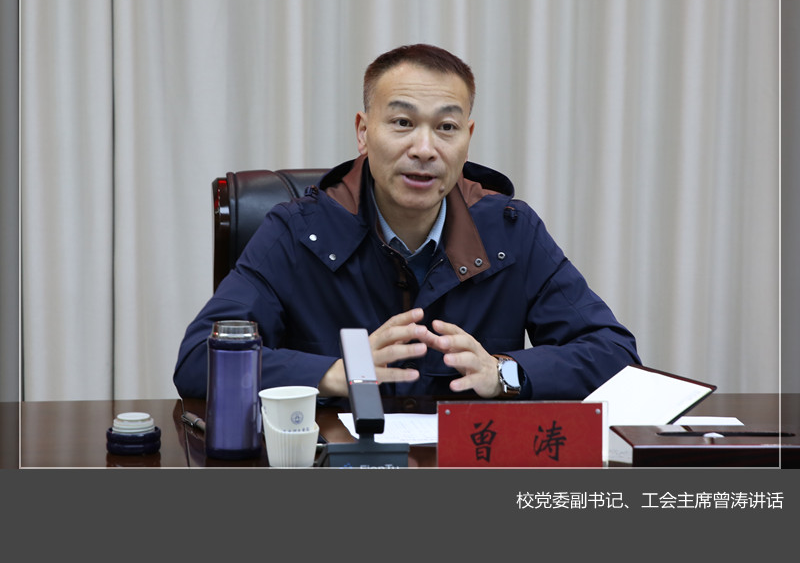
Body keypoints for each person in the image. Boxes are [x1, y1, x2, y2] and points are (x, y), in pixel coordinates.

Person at [174, 43, 640, 401]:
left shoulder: (509, 230)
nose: (424, 149)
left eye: (446, 127)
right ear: (363, 131)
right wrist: (334, 372)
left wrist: (504, 373)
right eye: (402, 123)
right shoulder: (297, 231)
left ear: (467, 139)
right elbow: (199, 359)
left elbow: (615, 355)